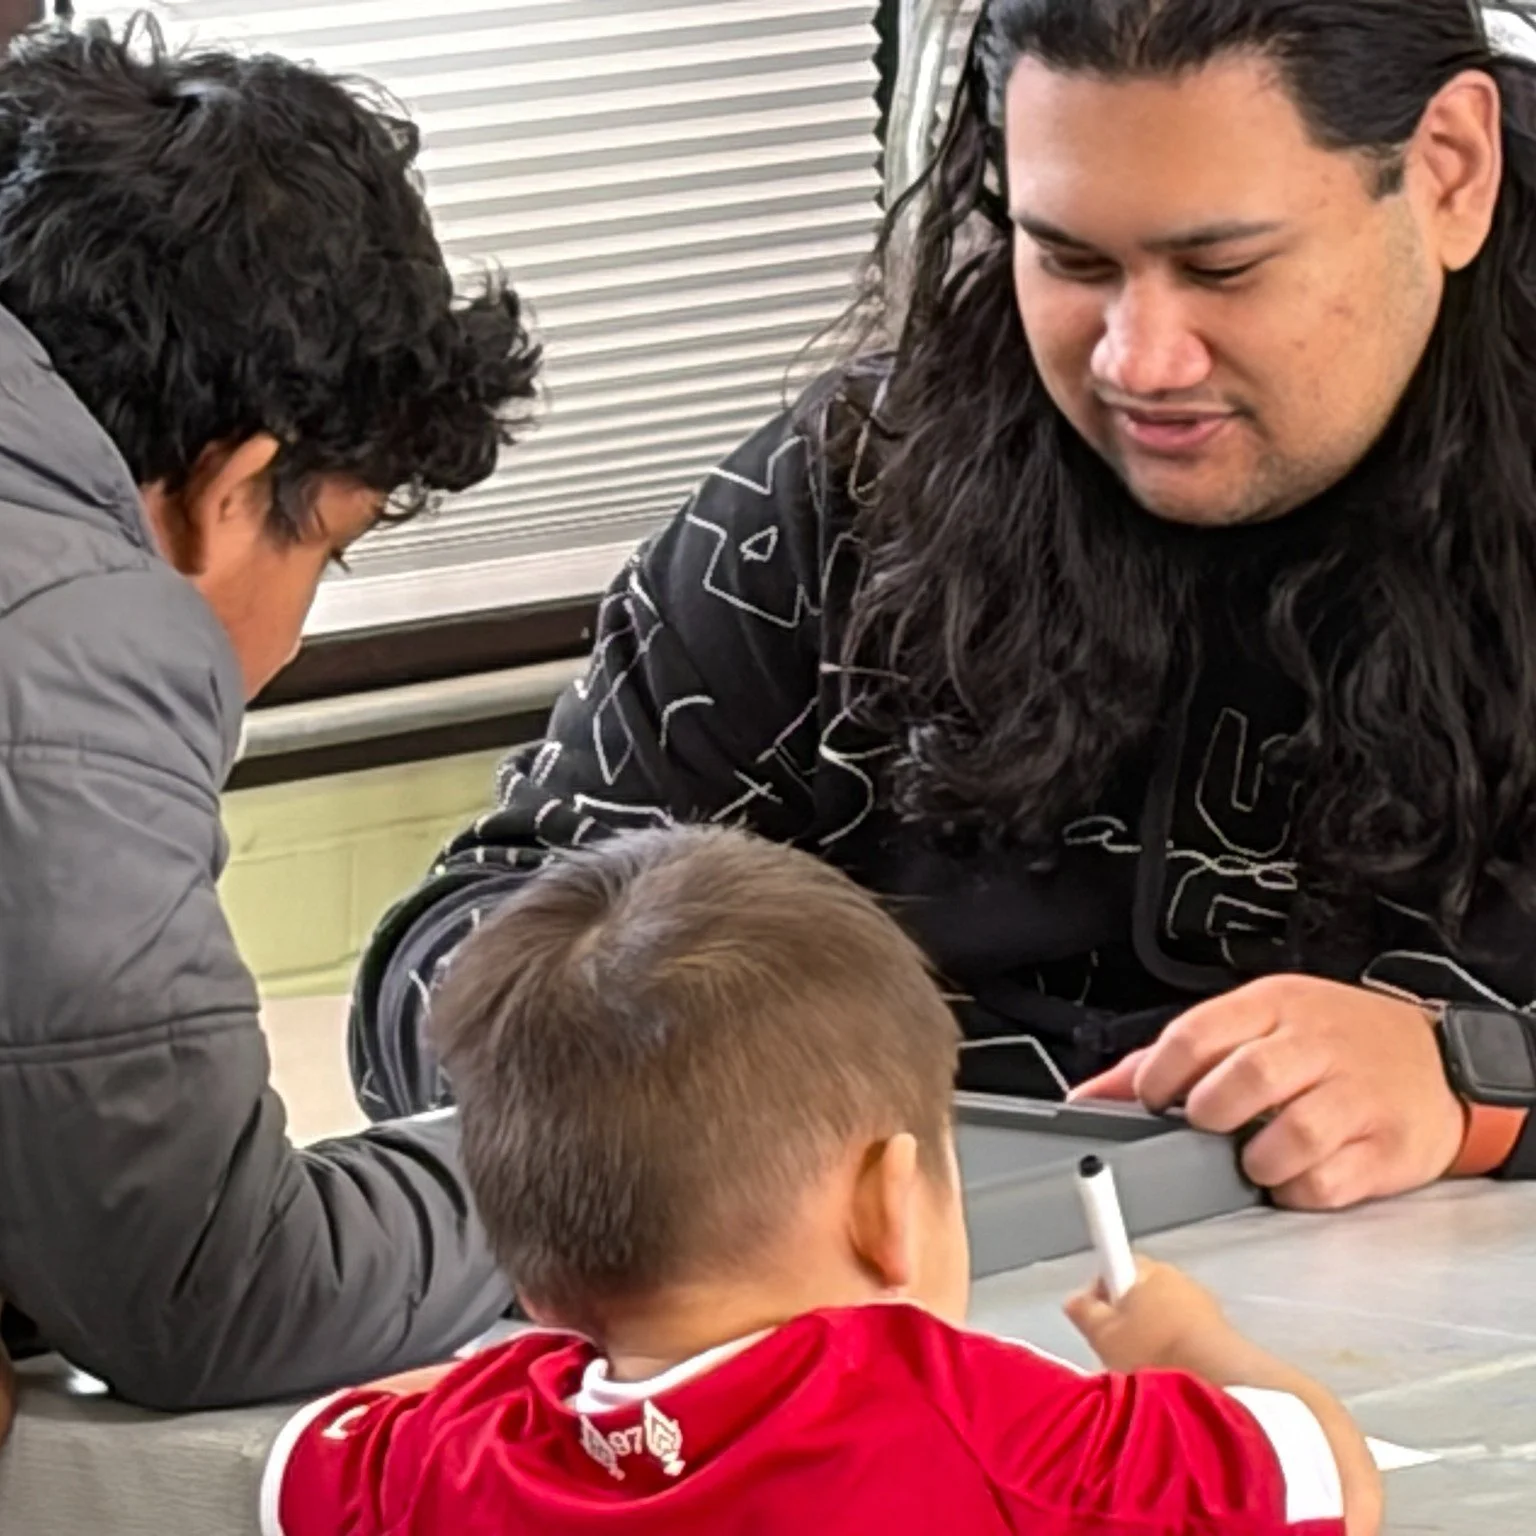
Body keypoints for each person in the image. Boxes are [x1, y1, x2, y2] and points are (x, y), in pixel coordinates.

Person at [355, 0, 1536, 1209]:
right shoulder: (858, 487)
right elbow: (470, 944)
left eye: (1220, 268)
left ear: (1450, 172)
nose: (1139, 359)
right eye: (1071, 261)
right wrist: (648, 1055)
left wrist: (1480, 1081)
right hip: (907, 1326)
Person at [266, 827, 1380, 1536]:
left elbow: (314, 1452)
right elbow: (1326, 1480)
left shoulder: (457, 1457)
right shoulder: (985, 1422)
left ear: (531, 1278)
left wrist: (537, 1364)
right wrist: (1187, 1349)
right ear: (887, 1203)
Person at [0, 22, 540, 1409]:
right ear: (237, 487)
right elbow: (218, 1294)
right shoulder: (72, 630)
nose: (295, 635)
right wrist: (586, 1154)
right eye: (329, 549)